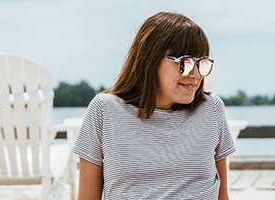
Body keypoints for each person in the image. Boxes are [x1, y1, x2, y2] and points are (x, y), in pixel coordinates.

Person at [71, 12, 235, 199]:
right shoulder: (104, 111)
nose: (196, 74)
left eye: (201, 63)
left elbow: (223, 195)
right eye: (185, 63)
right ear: (150, 60)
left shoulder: (211, 109)